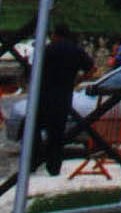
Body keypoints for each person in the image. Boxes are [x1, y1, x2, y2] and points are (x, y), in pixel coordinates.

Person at [34, 24, 94, 176]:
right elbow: (91, 69)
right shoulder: (76, 51)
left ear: (55, 35)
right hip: (64, 95)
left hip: (44, 95)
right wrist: (77, 81)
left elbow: (34, 69)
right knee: (57, 134)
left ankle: (34, 161)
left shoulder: (48, 50)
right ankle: (54, 167)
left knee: (35, 128)